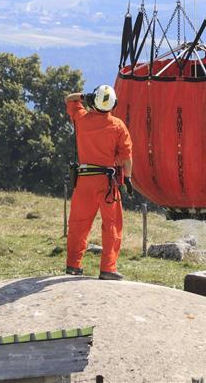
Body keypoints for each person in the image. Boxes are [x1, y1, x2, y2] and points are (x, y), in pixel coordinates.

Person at [64, 85, 134, 280]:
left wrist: (84, 96)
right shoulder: (118, 126)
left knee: (78, 224)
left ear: (93, 100)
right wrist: (127, 179)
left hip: (84, 181)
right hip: (107, 183)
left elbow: (70, 99)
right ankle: (108, 268)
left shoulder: (81, 118)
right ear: (114, 104)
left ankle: (73, 265)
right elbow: (126, 157)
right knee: (112, 225)